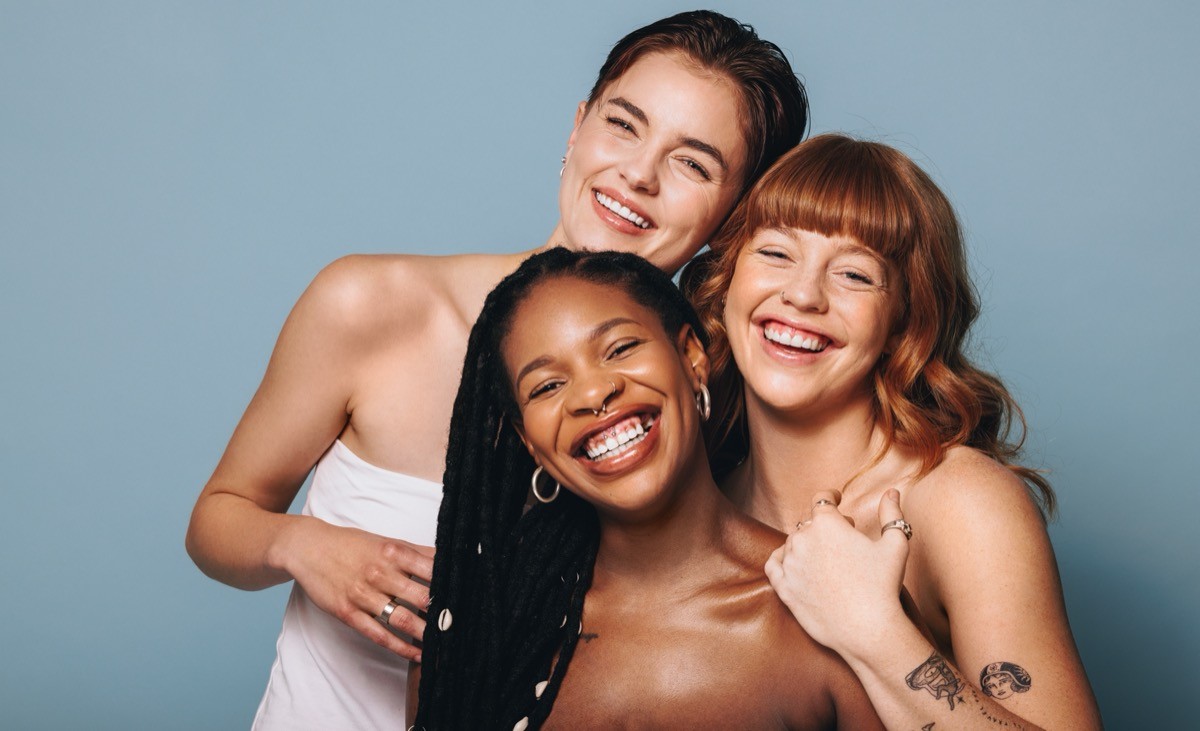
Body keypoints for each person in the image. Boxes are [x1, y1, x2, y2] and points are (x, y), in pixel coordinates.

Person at [185, 10, 808, 730]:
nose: (637, 173)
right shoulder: (374, 305)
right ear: (578, 126)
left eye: (693, 162)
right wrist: (300, 545)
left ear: (735, 214)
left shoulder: (698, 417)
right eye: (623, 124)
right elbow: (215, 519)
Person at [685, 134, 1103, 729]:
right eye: (775, 254)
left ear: (905, 318)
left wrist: (874, 629)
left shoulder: (961, 502)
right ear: (725, 281)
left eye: (854, 275)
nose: (802, 295)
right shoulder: (700, 507)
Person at [412, 248, 883, 730]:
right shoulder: (482, 623)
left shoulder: (826, 614)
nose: (593, 394)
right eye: (547, 386)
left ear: (692, 359)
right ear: (528, 442)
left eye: (619, 349)